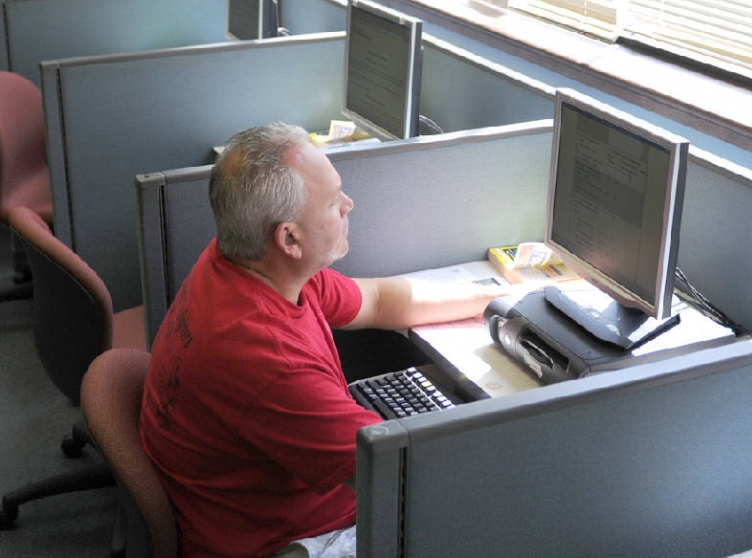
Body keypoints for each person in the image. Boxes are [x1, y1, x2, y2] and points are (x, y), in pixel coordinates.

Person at [140, 122, 506, 558]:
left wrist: (502, 301)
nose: (350, 205)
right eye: (334, 202)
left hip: (245, 502)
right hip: (284, 542)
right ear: (290, 238)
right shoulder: (266, 360)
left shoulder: (248, 263)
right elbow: (405, 472)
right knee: (493, 511)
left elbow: (378, 299)